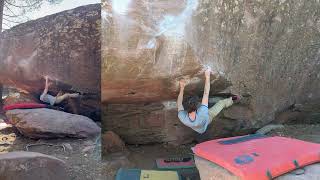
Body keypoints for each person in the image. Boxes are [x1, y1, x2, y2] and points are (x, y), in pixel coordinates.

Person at [177, 67, 239, 134]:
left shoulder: (182, 117)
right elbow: (206, 93)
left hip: (198, 129)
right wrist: (207, 76)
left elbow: (179, 103)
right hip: (207, 120)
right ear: (197, 107)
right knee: (221, 103)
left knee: (204, 105)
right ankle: (232, 100)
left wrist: (182, 88)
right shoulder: (202, 113)